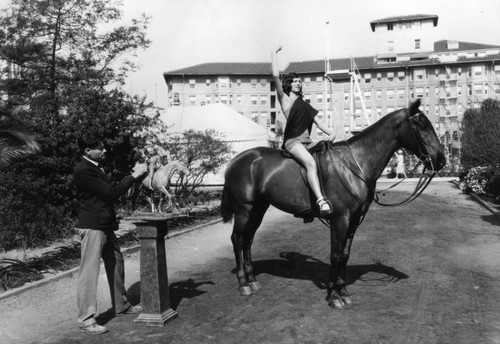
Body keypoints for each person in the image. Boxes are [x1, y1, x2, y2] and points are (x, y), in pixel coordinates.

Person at [73, 134, 148, 335]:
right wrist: (134, 176)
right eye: (100, 148)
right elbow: (110, 194)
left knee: (117, 263)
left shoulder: (95, 167)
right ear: (88, 151)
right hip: (93, 227)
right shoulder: (84, 171)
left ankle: (122, 305)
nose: (104, 150)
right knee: (89, 274)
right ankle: (86, 319)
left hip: (104, 225)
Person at [272, 46, 335, 215]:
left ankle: (314, 198)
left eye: (300, 81)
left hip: (307, 142)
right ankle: (321, 202)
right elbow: (275, 76)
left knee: (328, 158)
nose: (298, 83)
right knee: (310, 163)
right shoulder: (285, 100)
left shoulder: (306, 105)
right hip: (293, 142)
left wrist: (331, 133)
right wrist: (273, 54)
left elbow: (319, 123)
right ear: (288, 84)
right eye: (294, 81)